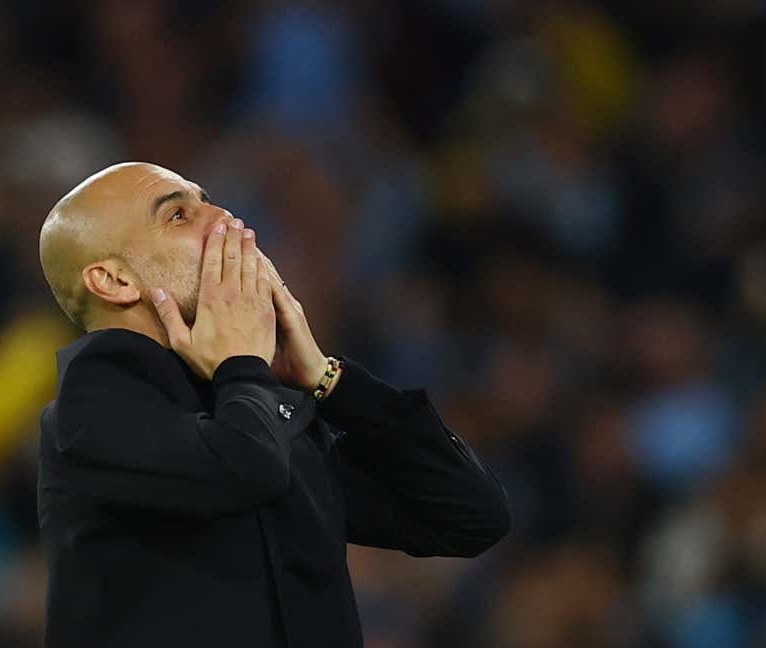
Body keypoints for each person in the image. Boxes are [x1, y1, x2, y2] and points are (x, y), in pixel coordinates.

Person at [35, 162, 511, 647]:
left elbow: (472, 516)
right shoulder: (89, 413)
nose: (226, 219)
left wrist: (330, 379)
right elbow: (244, 469)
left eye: (209, 200)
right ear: (113, 281)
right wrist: (242, 365)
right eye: (178, 215)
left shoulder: (264, 408)